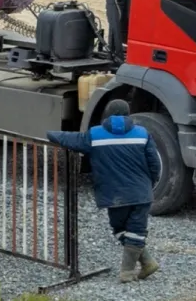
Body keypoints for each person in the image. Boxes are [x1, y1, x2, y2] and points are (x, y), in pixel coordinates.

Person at [48, 102, 162, 282]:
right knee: (136, 230)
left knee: (119, 229)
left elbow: (70, 139)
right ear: (128, 114)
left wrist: (50, 134)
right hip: (141, 192)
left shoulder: (95, 134)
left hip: (114, 195)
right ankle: (147, 263)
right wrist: (150, 182)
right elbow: (155, 164)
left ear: (106, 115)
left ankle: (127, 272)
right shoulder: (142, 133)